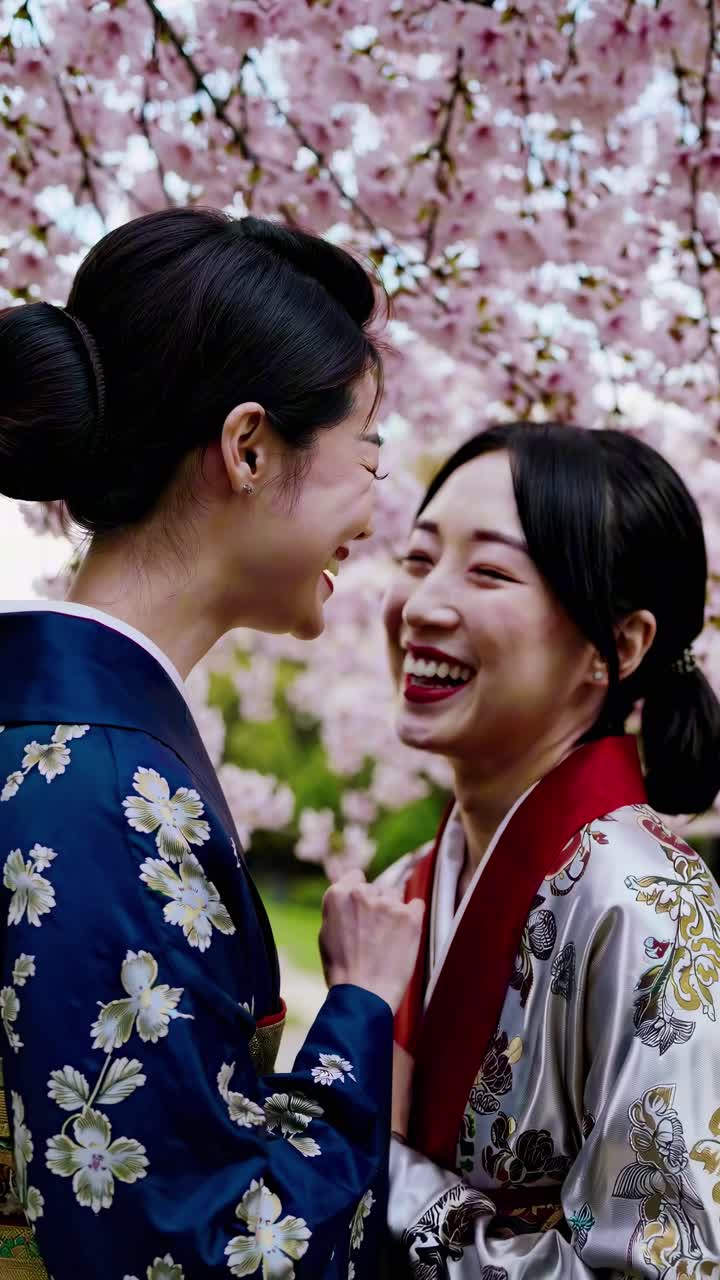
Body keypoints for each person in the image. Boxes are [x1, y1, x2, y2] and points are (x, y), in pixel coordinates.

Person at [0, 207, 424, 1279]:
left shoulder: (77, 744)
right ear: (246, 447)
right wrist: (360, 1012)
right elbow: (202, 1250)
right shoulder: (94, 789)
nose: (374, 509)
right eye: (366, 449)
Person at [380, 421, 720, 1277]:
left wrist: (385, 1175)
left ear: (622, 646)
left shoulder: (647, 903)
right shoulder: (404, 889)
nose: (423, 605)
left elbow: (665, 1265)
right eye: (419, 559)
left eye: (489, 571)